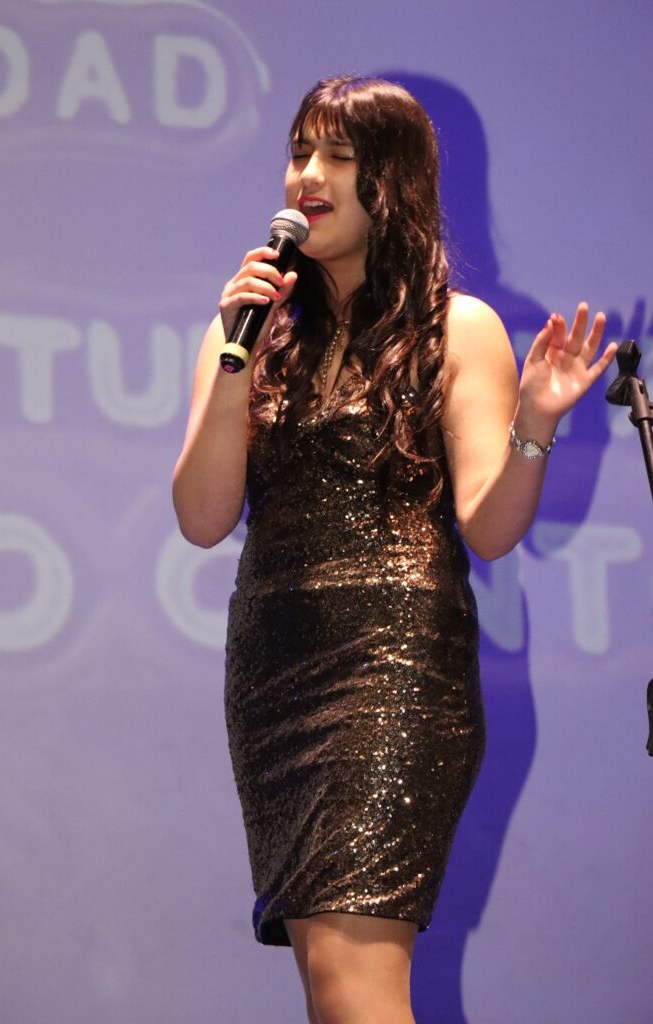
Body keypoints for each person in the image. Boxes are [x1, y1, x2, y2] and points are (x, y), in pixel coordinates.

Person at [172, 75, 616, 1024]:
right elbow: (203, 517)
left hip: (393, 671)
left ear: (394, 181)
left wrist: (535, 423)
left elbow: (489, 526)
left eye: (337, 156)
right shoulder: (245, 330)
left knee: (353, 982)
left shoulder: (456, 327)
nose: (307, 176)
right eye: (299, 152)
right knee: (328, 985)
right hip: (274, 677)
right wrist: (233, 359)